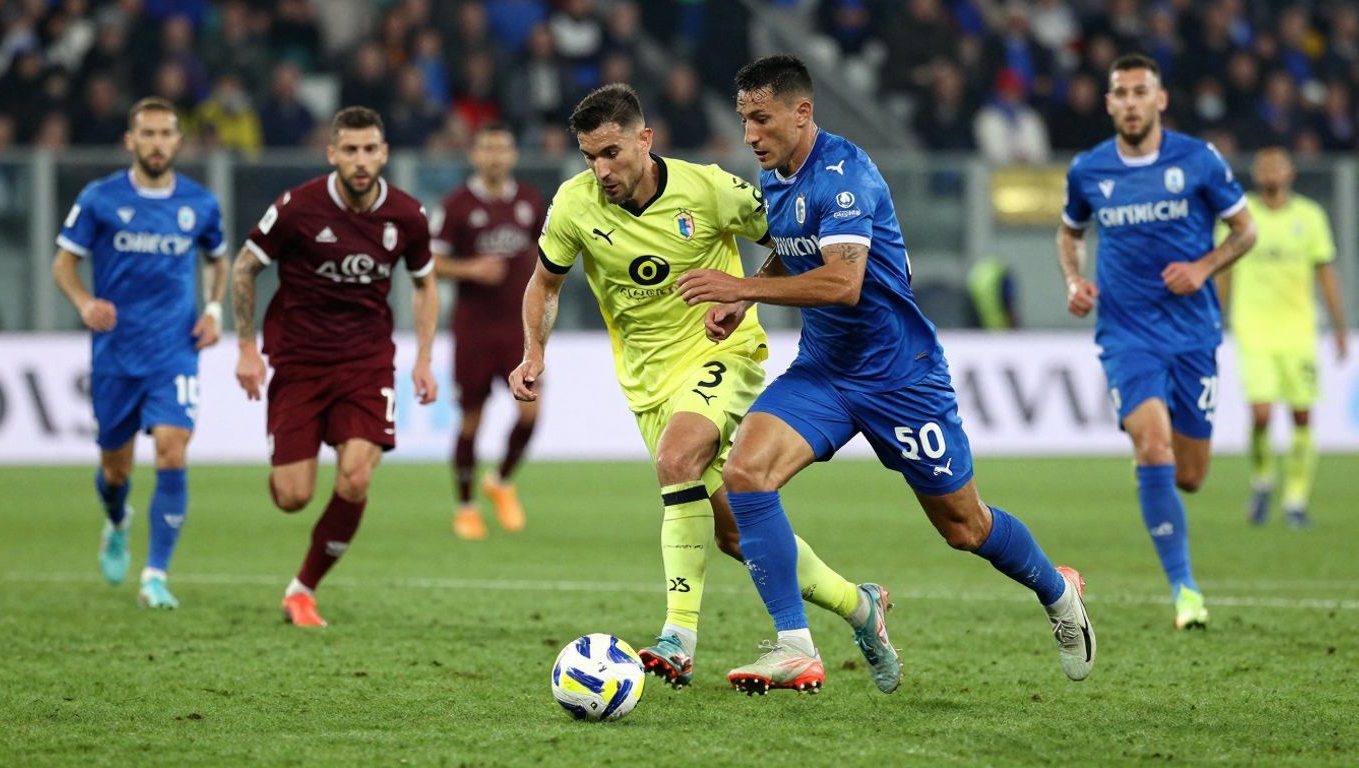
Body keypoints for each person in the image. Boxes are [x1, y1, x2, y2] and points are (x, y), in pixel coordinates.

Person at [676, 54, 1094, 694]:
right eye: (744, 120)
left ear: (802, 112)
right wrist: (748, 293)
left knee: (965, 527)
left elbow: (844, 282)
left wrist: (738, 285)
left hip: (898, 375)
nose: (750, 135)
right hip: (824, 371)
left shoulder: (846, 176)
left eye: (761, 119)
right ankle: (793, 645)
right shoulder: (777, 179)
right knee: (745, 473)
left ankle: (1057, 589)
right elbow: (794, 250)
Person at [508, 83, 900, 694]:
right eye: (590, 157)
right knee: (735, 533)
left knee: (677, 456)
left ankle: (678, 638)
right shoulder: (574, 206)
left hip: (723, 356)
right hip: (648, 384)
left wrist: (743, 299)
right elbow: (544, 284)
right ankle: (859, 605)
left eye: (611, 153)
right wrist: (534, 352)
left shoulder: (709, 189)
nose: (600, 170)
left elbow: (792, 241)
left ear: (645, 140)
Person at [1056, 54, 1257, 630]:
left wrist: (1204, 266)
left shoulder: (1198, 160)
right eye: (1121, 93)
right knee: (1153, 447)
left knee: (1190, 474)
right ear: (1110, 103)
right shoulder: (1089, 170)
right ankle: (1185, 591)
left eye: (1142, 91)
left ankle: (1160, 482)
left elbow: (1246, 230)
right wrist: (1074, 279)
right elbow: (1068, 231)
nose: (1132, 102)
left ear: (1160, 99)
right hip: (1127, 333)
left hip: (1194, 332)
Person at [231, 106, 439, 628]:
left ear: (385, 153)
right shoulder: (297, 208)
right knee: (292, 497)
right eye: (350, 150)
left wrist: (423, 358)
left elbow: (425, 283)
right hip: (299, 362)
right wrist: (245, 347)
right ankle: (288, 465)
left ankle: (302, 590)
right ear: (332, 154)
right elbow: (245, 266)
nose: (361, 160)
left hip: (366, 365)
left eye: (370, 149)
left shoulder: (408, 216)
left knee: (353, 480)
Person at [51, 96, 228, 609]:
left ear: (178, 141)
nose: (156, 143)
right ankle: (116, 520)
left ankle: (155, 575)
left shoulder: (200, 203)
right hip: (116, 354)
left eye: (165, 134)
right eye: (146, 134)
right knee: (116, 470)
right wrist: (84, 302)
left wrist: (215, 311)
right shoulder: (100, 198)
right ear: (130, 141)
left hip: (175, 350)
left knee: (173, 447)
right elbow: (63, 264)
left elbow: (219, 261)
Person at [1216, 147, 1347, 528]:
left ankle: (1295, 500)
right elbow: (1222, 272)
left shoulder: (1310, 217)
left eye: (1277, 164)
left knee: (1302, 416)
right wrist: (1214, 321)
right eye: (1263, 164)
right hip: (1254, 331)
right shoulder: (1239, 219)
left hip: (1298, 333)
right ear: (1256, 173)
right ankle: (1262, 480)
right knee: (1261, 415)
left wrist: (1340, 329)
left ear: (1290, 172)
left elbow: (1325, 274)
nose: (1270, 170)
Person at [432, 124, 545, 539]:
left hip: (519, 329)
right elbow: (431, 263)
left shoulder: (531, 202)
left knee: (531, 413)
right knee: (470, 420)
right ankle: (465, 506)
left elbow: (549, 255)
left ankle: (499, 481)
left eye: (503, 148)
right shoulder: (456, 205)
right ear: (475, 155)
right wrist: (470, 269)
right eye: (487, 149)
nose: (496, 156)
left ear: (512, 155)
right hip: (474, 330)